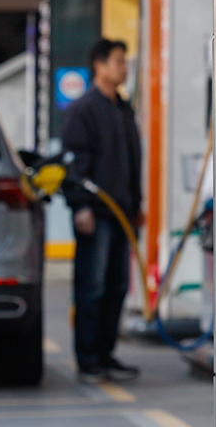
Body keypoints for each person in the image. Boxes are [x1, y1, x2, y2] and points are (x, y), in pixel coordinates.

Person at [60, 38, 142, 384]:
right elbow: (74, 164)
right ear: (100, 65)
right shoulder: (84, 110)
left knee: (117, 286)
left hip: (122, 212)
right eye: (119, 62)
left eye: (125, 62)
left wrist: (137, 205)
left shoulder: (123, 108)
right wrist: (81, 206)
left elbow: (131, 162)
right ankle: (88, 359)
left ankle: (106, 355)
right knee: (91, 287)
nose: (124, 68)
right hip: (95, 213)